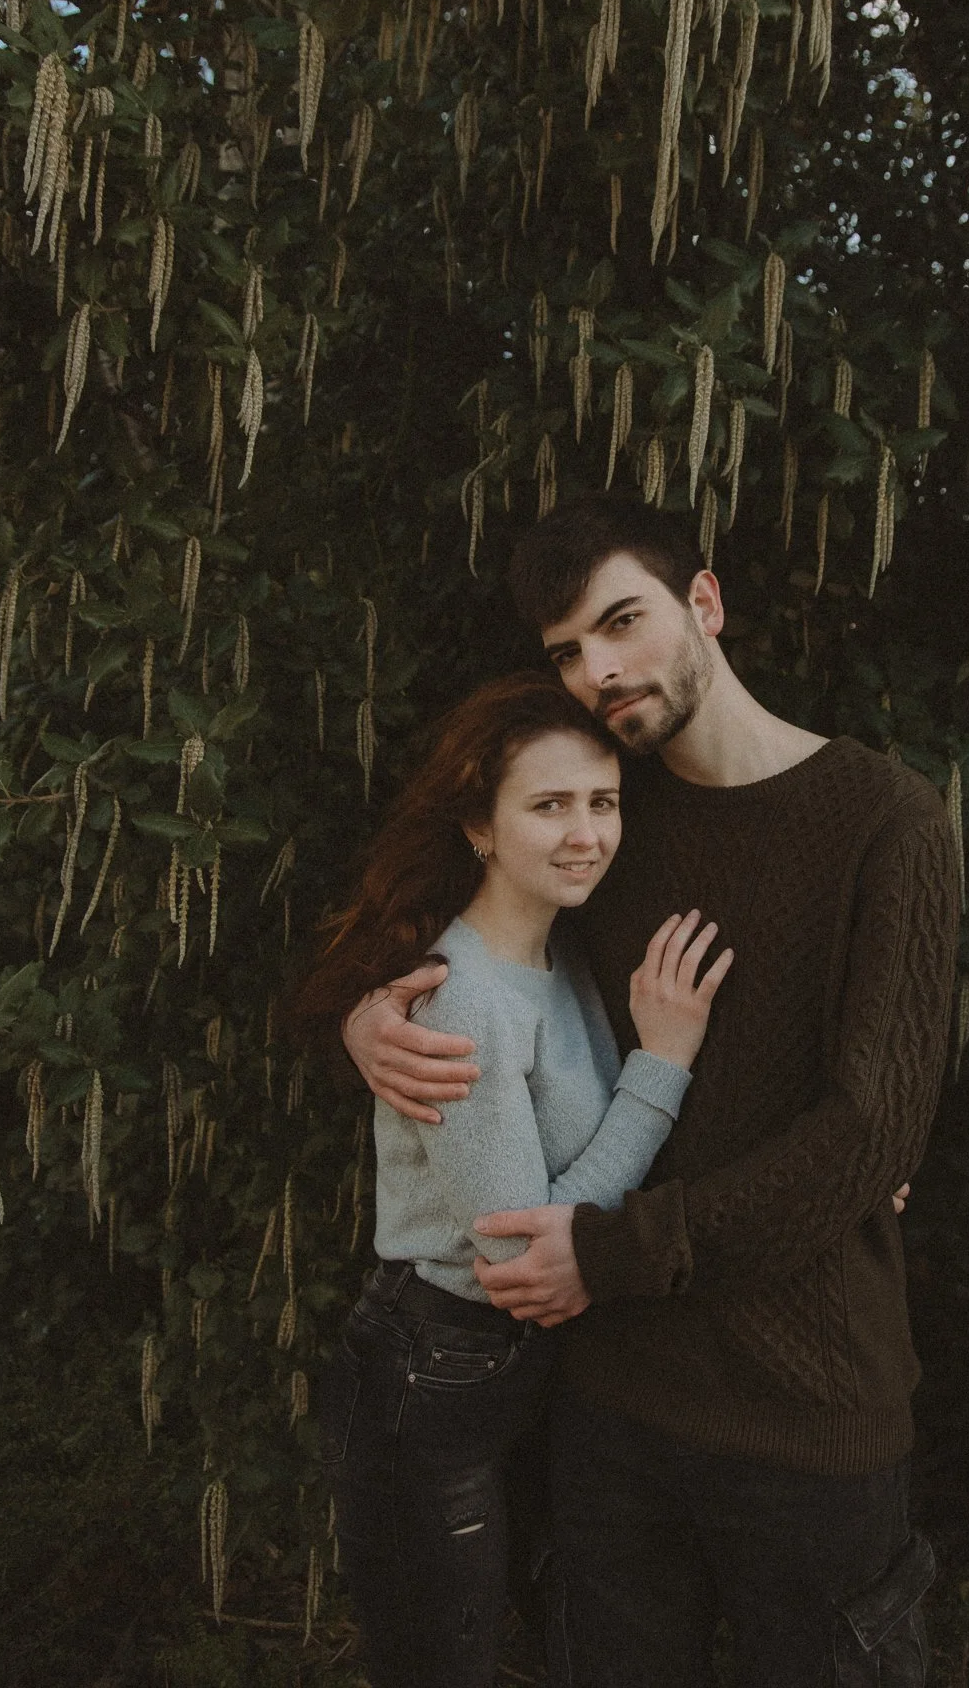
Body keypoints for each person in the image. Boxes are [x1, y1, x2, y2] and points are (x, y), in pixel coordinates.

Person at [343, 498, 960, 1688]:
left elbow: (869, 1130)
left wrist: (615, 1252)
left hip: (806, 1408)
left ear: (706, 605)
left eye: (622, 621)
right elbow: (465, 960)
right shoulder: (593, 810)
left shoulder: (888, 821)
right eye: (568, 650)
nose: (600, 670)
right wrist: (371, 1028)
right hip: (610, 1407)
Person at [297, 671, 733, 1688]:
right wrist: (661, 1066)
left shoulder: (558, 950)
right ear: (479, 828)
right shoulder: (462, 999)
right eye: (550, 805)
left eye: (603, 800)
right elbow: (517, 1248)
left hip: (525, 1376)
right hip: (430, 1376)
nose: (587, 832)